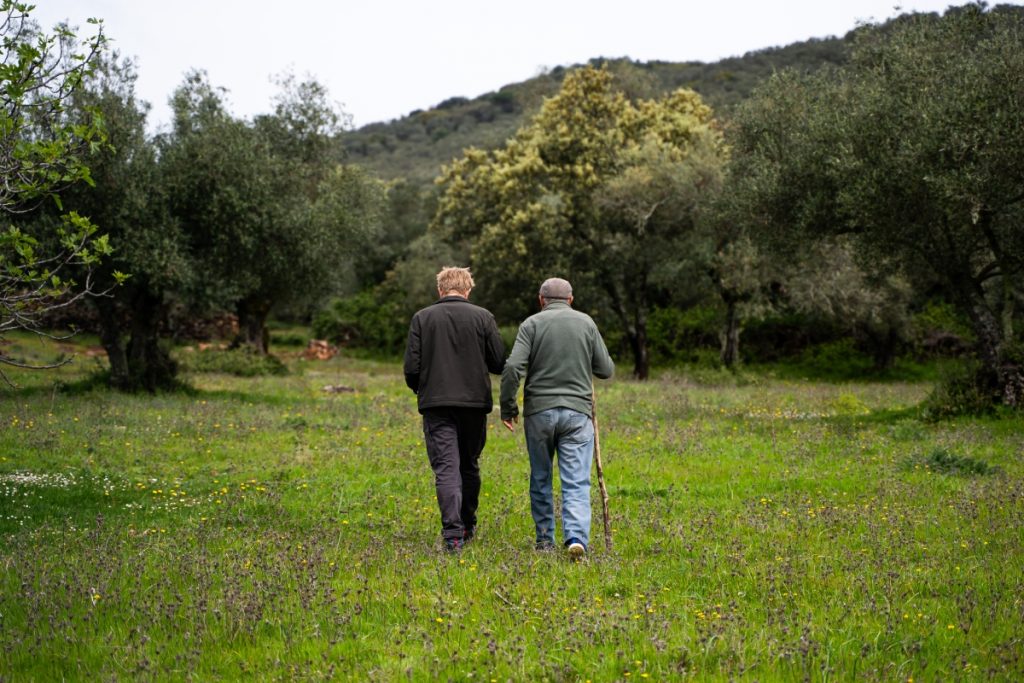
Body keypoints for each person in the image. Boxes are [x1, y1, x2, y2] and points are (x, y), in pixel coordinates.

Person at [500, 277, 614, 558]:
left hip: (539, 412)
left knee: (540, 476)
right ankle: (576, 538)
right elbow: (605, 369)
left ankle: (545, 541)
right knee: (576, 480)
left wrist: (508, 407)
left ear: (541, 299)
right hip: (577, 412)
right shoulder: (587, 323)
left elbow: (513, 366)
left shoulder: (531, 324)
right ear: (571, 300)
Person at [404, 266, 506, 552]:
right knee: (468, 465)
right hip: (474, 404)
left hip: (436, 404)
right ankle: (467, 524)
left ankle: (452, 536)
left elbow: (411, 368)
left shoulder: (422, 318)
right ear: (468, 289)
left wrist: (423, 389)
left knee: (447, 468)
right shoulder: (483, 317)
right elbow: (499, 362)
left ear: (440, 289)